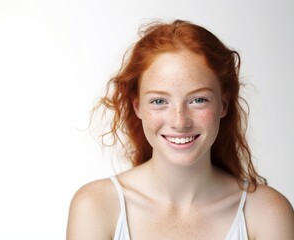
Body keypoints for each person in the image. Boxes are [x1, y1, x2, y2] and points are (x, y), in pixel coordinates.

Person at [66, 19, 294, 239]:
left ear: (223, 104)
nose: (179, 122)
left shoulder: (267, 213)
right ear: (137, 107)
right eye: (159, 101)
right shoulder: (96, 206)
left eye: (198, 100)